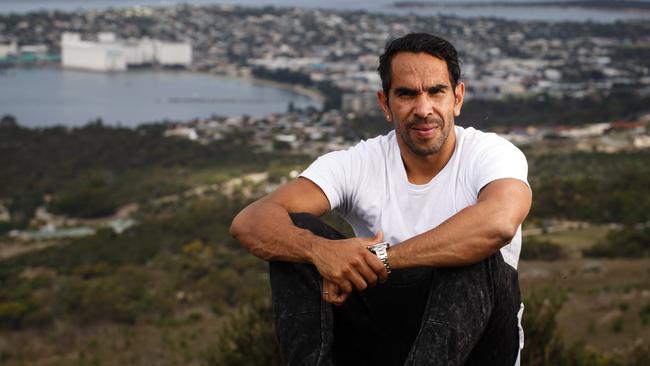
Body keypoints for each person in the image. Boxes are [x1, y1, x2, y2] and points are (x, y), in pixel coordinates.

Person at [230, 32, 532, 366]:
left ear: (457, 98)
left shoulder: (491, 154)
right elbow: (251, 221)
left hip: (478, 343)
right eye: (406, 94)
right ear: (385, 104)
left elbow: (499, 222)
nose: (423, 109)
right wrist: (320, 251)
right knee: (297, 230)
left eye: (436, 92)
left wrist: (381, 259)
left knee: (476, 251)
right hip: (384, 337)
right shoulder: (359, 163)